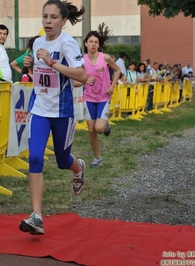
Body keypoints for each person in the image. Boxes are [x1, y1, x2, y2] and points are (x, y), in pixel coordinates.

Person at [19, 0, 87, 236]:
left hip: (62, 112)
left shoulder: (68, 43)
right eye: (45, 16)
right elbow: (40, 75)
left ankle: (78, 169)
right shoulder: (38, 42)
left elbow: (82, 75)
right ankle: (36, 217)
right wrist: (29, 66)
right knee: (35, 157)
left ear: (63, 20)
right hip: (39, 109)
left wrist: (52, 62)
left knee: (61, 160)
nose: (48, 21)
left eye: (53, 17)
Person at [73, 23, 120, 168]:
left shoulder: (104, 58)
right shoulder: (81, 61)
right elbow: (74, 83)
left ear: (99, 45)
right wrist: (85, 80)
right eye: (91, 42)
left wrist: (112, 86)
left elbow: (118, 70)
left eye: (96, 42)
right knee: (91, 129)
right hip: (89, 99)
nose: (93, 44)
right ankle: (98, 158)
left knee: (99, 128)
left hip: (104, 98)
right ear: (86, 43)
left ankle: (105, 125)